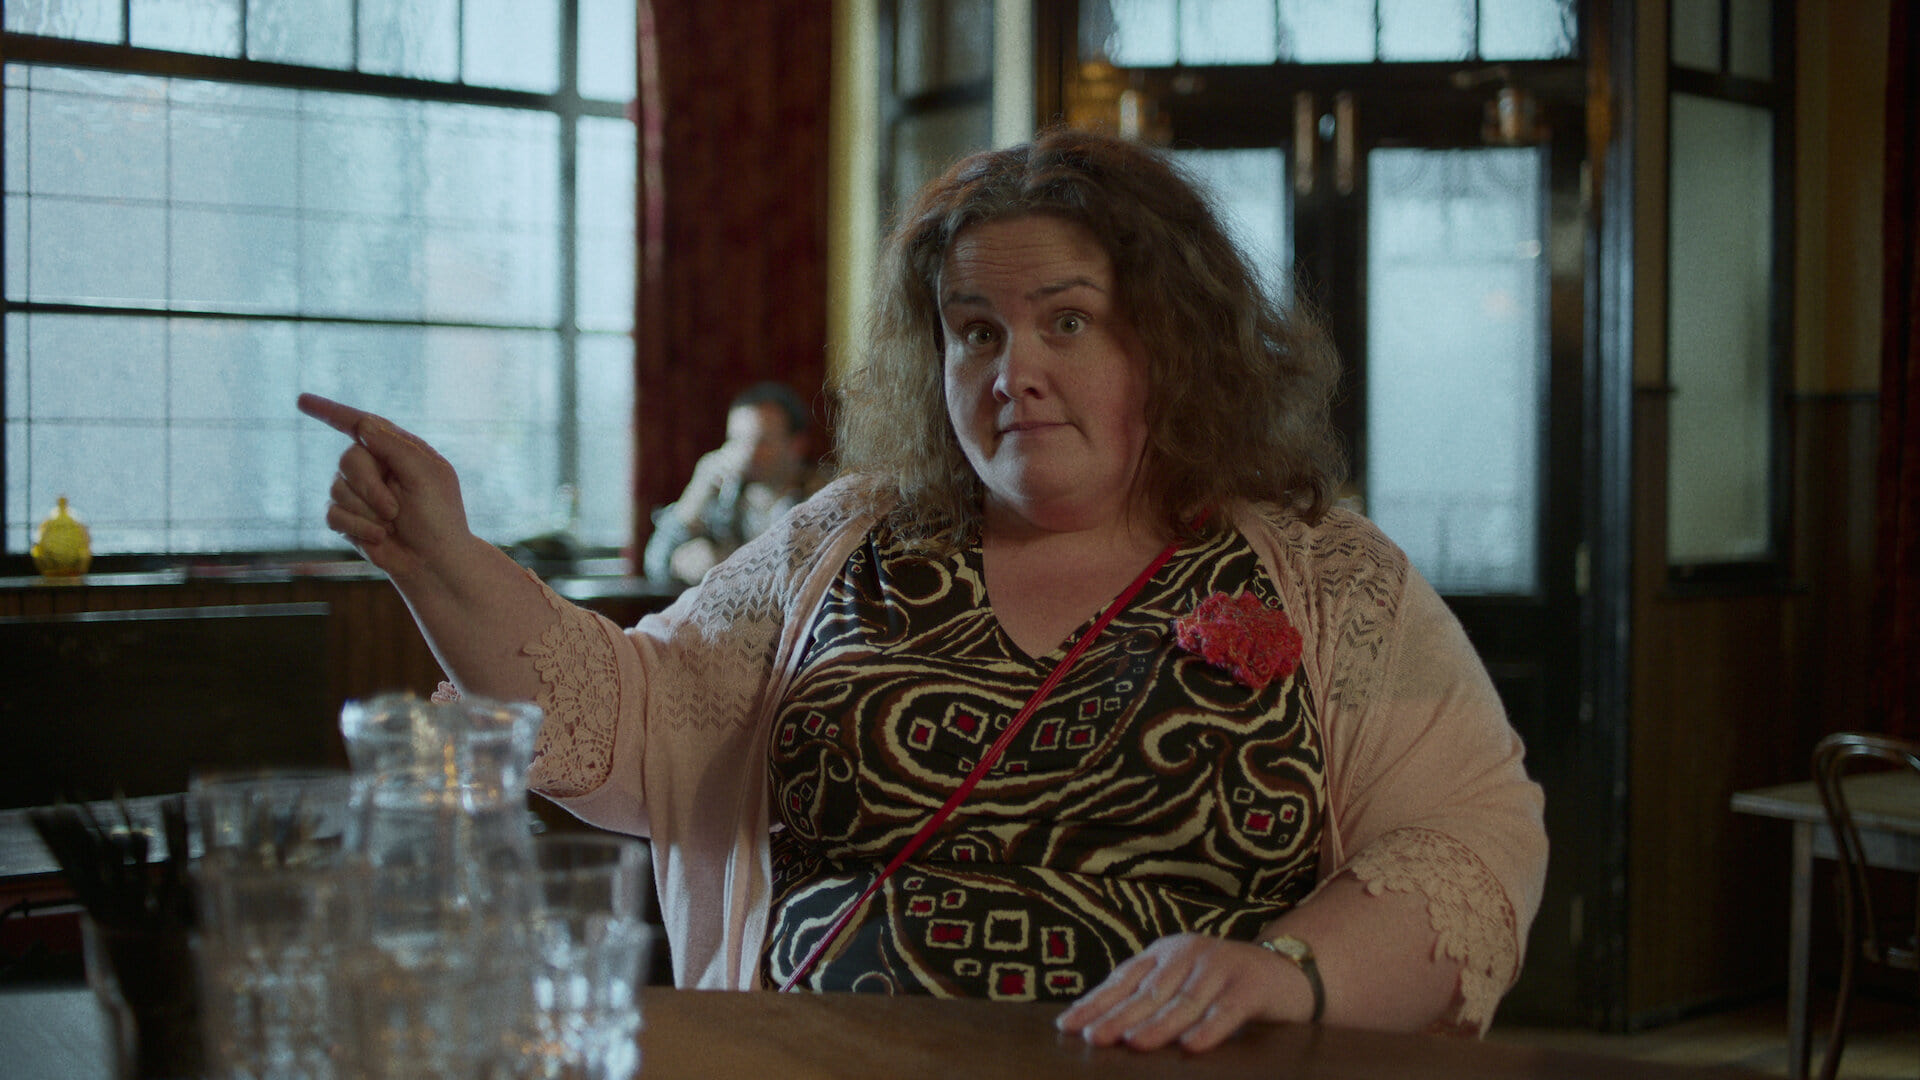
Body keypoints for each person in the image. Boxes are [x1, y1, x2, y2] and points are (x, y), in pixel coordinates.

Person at [299, 126, 1546, 1053]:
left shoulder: (1324, 575)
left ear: (1171, 340)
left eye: (1068, 323)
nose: (1014, 371)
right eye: (976, 330)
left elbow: (1469, 839)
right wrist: (439, 557)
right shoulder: (840, 540)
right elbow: (620, 715)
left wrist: (1290, 975)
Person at [643, 381, 823, 585]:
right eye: (737, 440)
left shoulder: (823, 500)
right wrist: (695, 496)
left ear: (796, 445)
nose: (748, 453)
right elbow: (655, 565)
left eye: (762, 442)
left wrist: (730, 568)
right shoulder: (723, 498)